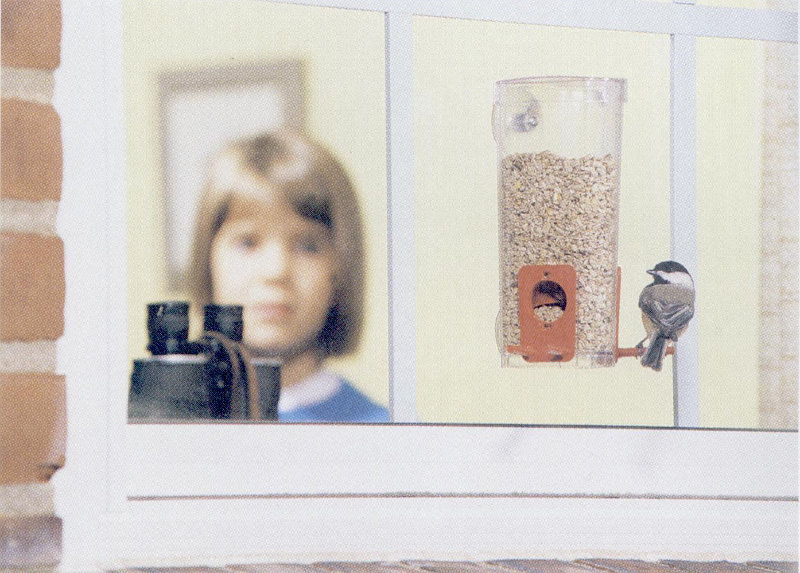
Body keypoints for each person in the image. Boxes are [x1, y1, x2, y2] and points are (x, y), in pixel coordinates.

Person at [188, 129, 389, 423]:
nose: (276, 271)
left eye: (308, 246)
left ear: (340, 267)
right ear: (207, 260)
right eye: (248, 242)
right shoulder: (163, 426)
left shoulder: (379, 430)